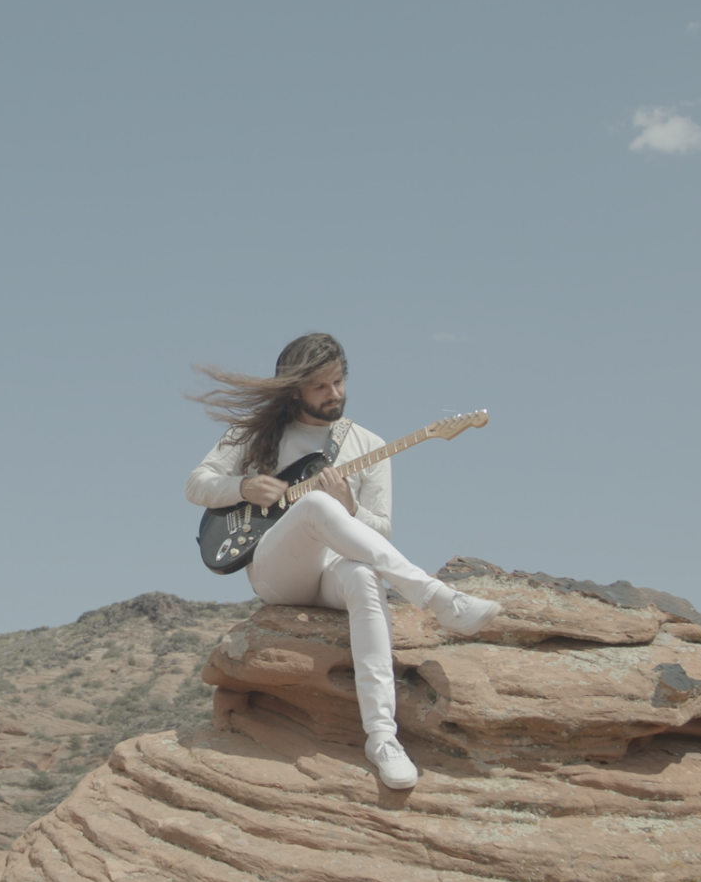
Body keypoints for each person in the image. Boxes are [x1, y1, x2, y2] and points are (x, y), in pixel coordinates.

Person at [185, 332, 501, 789]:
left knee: (365, 578)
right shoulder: (254, 435)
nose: (334, 393)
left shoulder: (369, 445)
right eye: (320, 386)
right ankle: (436, 597)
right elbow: (196, 484)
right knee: (315, 504)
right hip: (279, 571)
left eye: (339, 382)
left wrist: (350, 508)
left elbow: (380, 533)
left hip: (335, 572)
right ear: (296, 390)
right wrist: (244, 487)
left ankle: (383, 737)